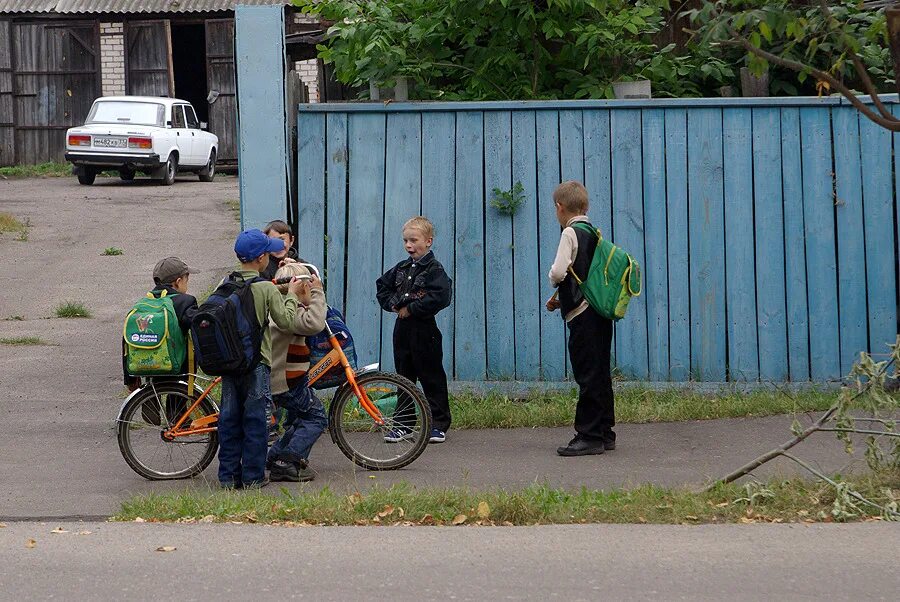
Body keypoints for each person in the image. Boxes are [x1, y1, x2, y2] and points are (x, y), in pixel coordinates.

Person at [217, 229, 305, 489]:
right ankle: (253, 476)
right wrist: (290, 294)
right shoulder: (265, 288)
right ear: (261, 258)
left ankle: (227, 477)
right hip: (256, 363)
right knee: (255, 420)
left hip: (229, 363)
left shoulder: (225, 282)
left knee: (229, 419)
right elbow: (287, 321)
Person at [546, 181, 616, 456]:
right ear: (585, 206)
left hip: (581, 314)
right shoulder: (593, 232)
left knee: (586, 374)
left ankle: (588, 435)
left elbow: (559, 271)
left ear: (560, 208)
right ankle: (605, 432)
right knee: (599, 373)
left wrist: (554, 281)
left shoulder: (570, 233)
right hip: (598, 311)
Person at [376, 216, 453, 443]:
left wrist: (412, 309)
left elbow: (441, 296)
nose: (409, 245)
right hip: (402, 331)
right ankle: (404, 424)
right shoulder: (401, 268)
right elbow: (382, 287)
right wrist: (394, 305)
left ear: (428, 241)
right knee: (404, 376)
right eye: (405, 241)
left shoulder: (434, 269)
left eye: (414, 240)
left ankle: (438, 424)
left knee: (431, 376)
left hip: (425, 330)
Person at [266, 262, 328, 482]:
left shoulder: (279, 306)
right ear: (301, 289)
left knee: (303, 417)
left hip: (279, 379)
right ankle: (287, 462)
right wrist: (318, 293)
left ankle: (275, 456)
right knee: (316, 417)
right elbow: (315, 323)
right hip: (287, 382)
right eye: (308, 287)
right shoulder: (289, 314)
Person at [122, 256, 198, 391]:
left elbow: (126, 341)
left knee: (150, 393)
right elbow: (197, 326)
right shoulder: (185, 302)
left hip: (146, 367)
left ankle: (149, 407)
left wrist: (130, 378)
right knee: (177, 395)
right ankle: (175, 411)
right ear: (178, 282)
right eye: (187, 280)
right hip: (177, 368)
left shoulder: (142, 305)